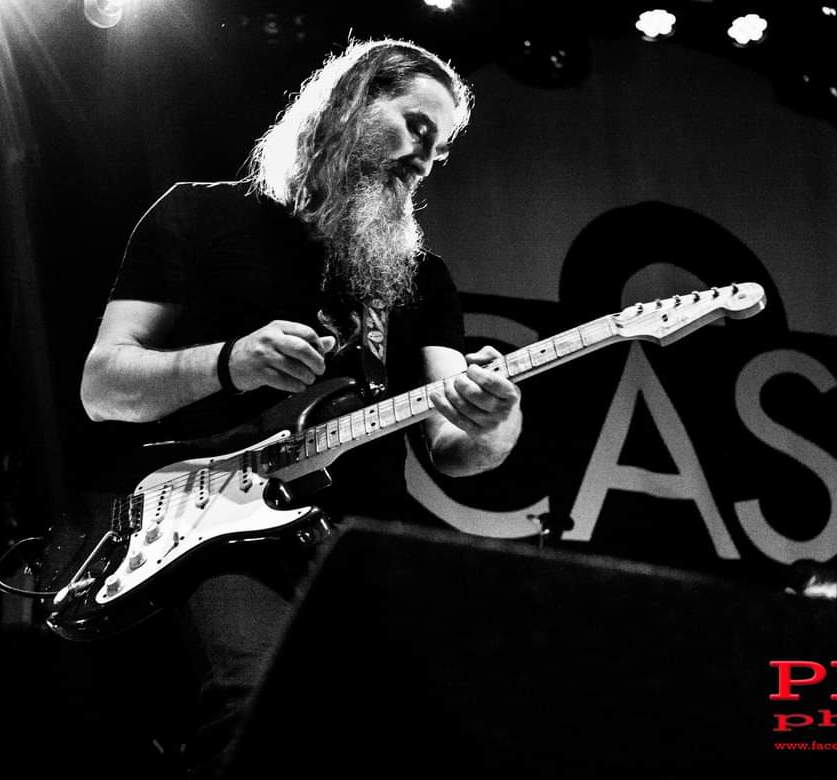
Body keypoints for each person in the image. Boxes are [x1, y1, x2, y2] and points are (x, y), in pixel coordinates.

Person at [78, 38, 522, 778]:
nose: (426, 158)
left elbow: (457, 445)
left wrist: (492, 419)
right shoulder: (197, 213)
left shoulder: (423, 280)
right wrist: (230, 361)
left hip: (358, 544)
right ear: (352, 102)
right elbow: (103, 387)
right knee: (257, 706)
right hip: (219, 530)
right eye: (417, 126)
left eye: (440, 149)